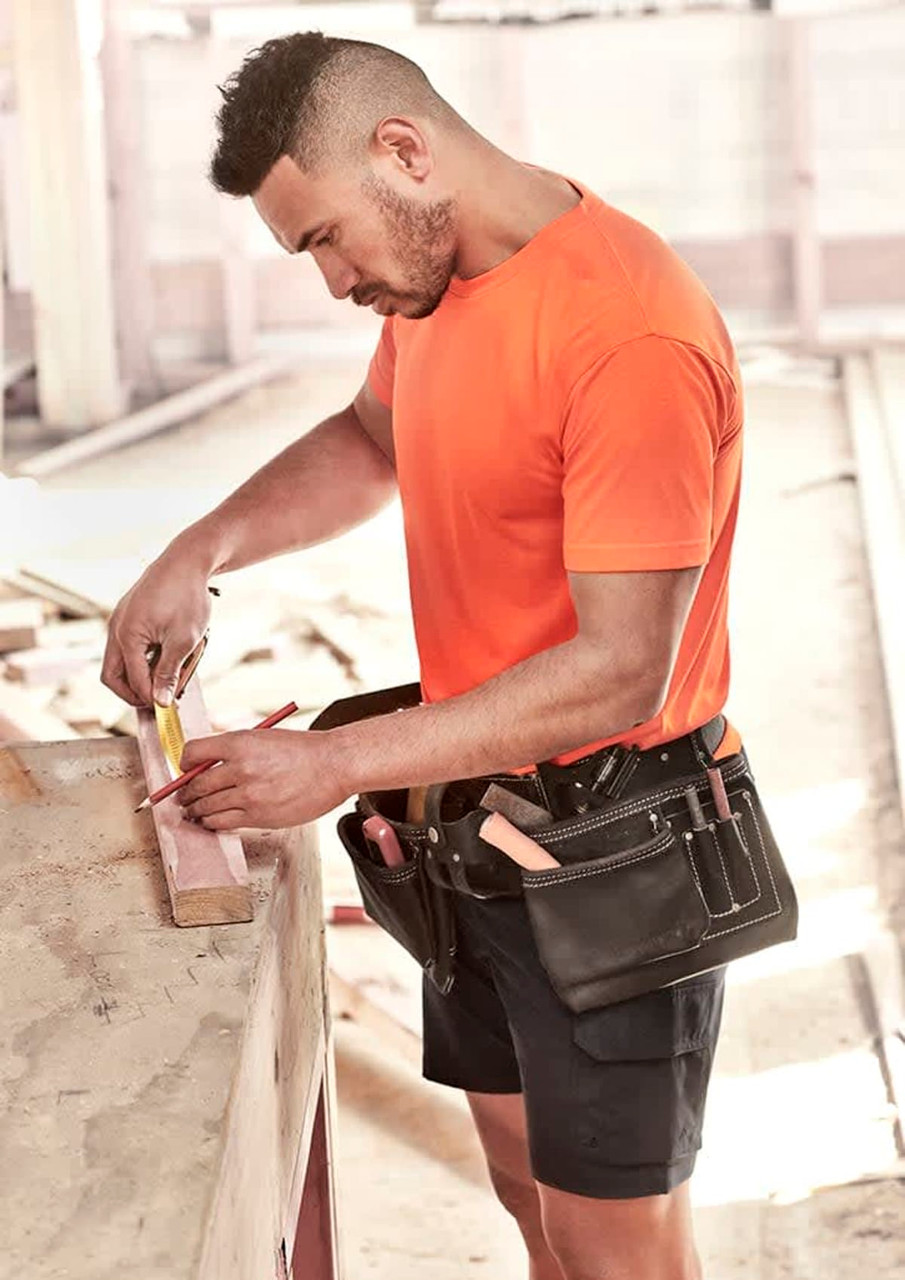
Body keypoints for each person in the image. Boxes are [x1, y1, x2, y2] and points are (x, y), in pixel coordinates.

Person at [103, 32, 746, 1280]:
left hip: (617, 847)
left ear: (404, 150)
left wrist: (332, 760)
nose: (332, 280)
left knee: (617, 1249)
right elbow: (367, 435)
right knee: (524, 1192)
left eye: (325, 239)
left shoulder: (625, 336)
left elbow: (625, 672)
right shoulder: (442, 283)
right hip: (475, 823)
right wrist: (203, 543)